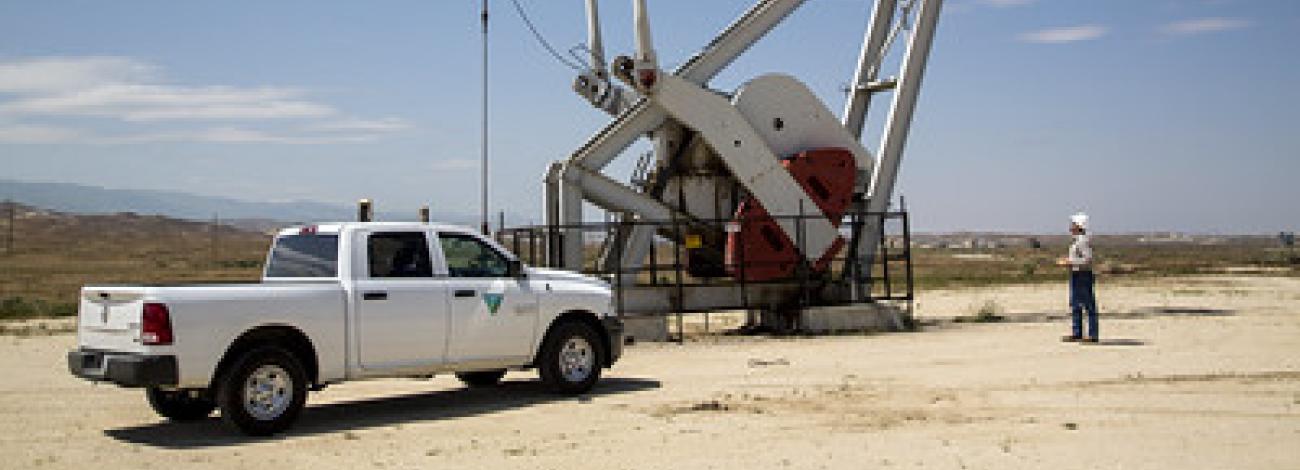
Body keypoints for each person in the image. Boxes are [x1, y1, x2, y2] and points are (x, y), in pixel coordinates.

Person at [1058, 212, 1098, 343]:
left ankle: (1092, 334)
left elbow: (1088, 259)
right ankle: (1077, 333)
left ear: (1079, 226)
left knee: (1088, 305)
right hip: (1075, 274)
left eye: (1073, 224)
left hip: (1083, 275)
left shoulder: (1083, 241)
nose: (1070, 227)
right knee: (1075, 304)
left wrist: (1070, 262)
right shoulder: (1077, 241)